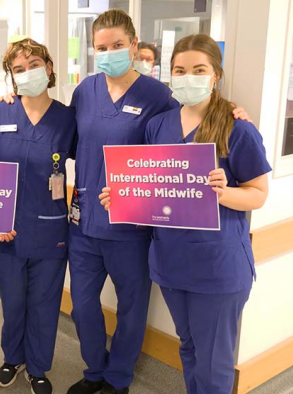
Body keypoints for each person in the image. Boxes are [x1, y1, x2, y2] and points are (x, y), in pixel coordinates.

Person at [64, 9, 250, 394]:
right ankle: (94, 370)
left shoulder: (158, 96)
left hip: (133, 225)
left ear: (133, 46)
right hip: (84, 221)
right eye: (102, 47)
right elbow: (61, 135)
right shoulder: (84, 91)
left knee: (132, 309)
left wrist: (232, 112)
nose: (110, 52)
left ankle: (117, 379)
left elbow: (188, 133)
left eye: (117, 45)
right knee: (82, 306)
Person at [100, 33, 271, 394]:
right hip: (171, 262)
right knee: (191, 350)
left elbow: (258, 195)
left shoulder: (237, 127)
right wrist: (123, 197)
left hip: (217, 266)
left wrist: (225, 194)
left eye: (199, 69)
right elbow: (153, 188)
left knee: (212, 367)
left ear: (215, 76)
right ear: (170, 74)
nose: (188, 76)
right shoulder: (158, 126)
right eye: (180, 70)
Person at [0, 38, 76, 394]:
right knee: (13, 302)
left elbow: (93, 160)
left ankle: (38, 367)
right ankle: (12, 358)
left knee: (45, 303)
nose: (27, 72)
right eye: (18, 69)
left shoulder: (67, 117)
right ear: (11, 77)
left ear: (48, 68)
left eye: (34, 64)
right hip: (6, 232)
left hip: (51, 230)